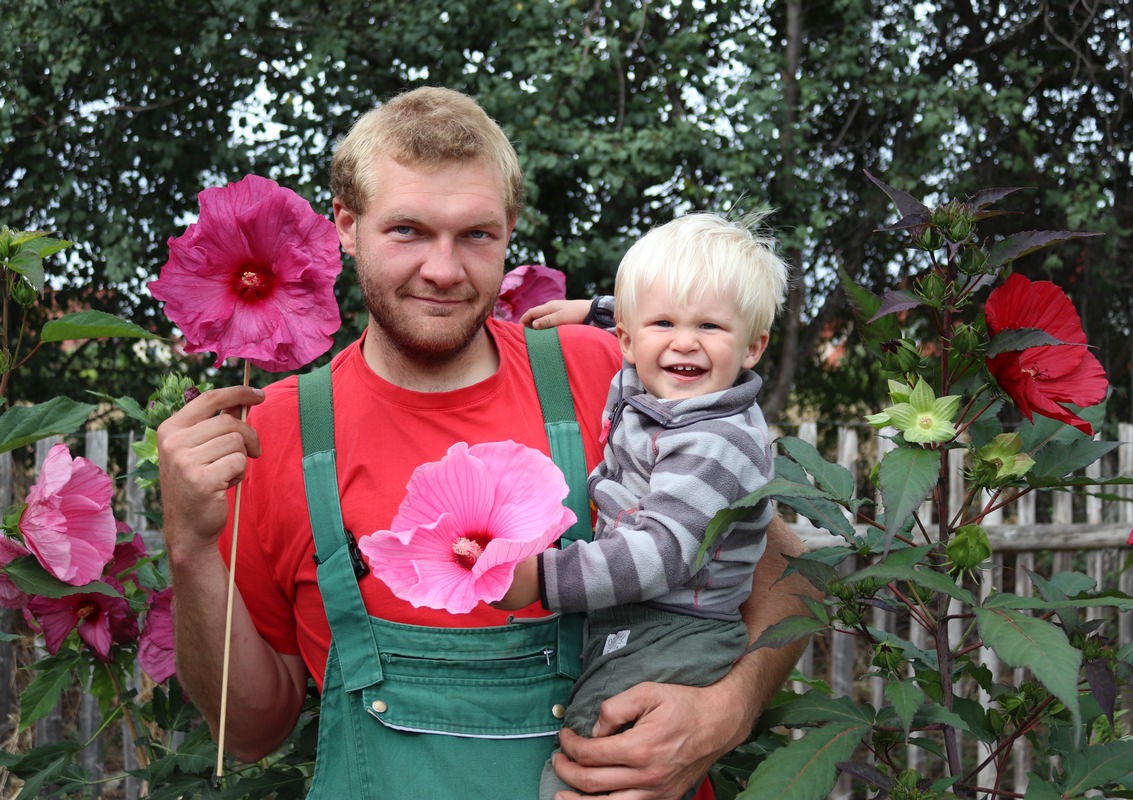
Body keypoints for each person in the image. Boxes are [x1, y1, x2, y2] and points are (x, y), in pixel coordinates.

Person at [157, 86, 813, 800]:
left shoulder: (607, 373)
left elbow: (786, 563)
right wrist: (189, 548)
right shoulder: (277, 432)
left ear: (510, 229)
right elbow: (249, 733)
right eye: (407, 230)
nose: (443, 270)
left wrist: (730, 708)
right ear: (346, 223)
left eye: (475, 235)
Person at [494, 211, 788, 800]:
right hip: (649, 617)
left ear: (753, 347)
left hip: (675, 627)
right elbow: (652, 311)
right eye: (662, 324)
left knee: (595, 753)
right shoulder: (655, 381)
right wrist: (594, 310)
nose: (684, 341)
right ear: (627, 338)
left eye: (710, 326)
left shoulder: (714, 442)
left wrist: (543, 579)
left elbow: (660, 554)